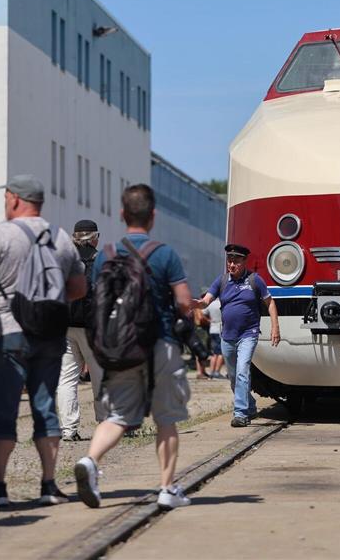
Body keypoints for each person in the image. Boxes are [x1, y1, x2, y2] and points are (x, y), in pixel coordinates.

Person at [74, 184, 195, 510]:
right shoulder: (165, 253)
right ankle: (167, 488)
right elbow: (184, 302)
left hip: (122, 348)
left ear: (122, 214)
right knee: (166, 418)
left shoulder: (107, 256)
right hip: (161, 345)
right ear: (153, 215)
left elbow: (95, 299)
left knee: (117, 416)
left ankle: (89, 461)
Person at [0, 175, 87, 507]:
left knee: (4, 410)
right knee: (45, 407)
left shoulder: (2, 234)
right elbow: (79, 288)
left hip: (9, 333)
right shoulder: (60, 238)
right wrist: (48, 302)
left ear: (15, 199)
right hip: (50, 334)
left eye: (5, 197)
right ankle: (49, 485)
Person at [194, 244, 280, 427]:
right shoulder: (222, 281)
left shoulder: (255, 280)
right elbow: (206, 301)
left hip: (249, 334)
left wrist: (275, 328)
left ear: (244, 261)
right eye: (229, 261)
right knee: (233, 377)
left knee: (242, 371)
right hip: (227, 336)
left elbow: (270, 303)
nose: (231, 264)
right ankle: (249, 405)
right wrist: (197, 304)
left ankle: (240, 413)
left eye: (236, 261)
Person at [57, 219, 104, 441]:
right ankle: (105, 423)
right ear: (94, 237)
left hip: (65, 326)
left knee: (67, 378)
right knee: (99, 376)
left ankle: (68, 429)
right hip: (92, 327)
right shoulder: (101, 260)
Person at [201, 295, 225, 378]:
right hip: (221, 328)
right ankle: (217, 371)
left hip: (212, 328)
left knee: (215, 353)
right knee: (221, 352)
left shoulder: (211, 304)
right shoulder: (222, 303)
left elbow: (202, 313)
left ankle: (211, 371)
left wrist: (208, 320)